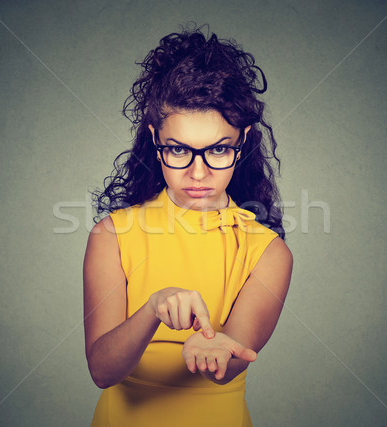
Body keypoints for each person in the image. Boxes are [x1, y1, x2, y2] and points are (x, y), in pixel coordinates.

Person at [83, 25, 293, 427]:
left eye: (217, 149)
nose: (198, 173)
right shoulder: (111, 235)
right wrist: (151, 310)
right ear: (155, 141)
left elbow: (234, 357)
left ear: (242, 142)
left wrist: (217, 350)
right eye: (178, 149)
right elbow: (101, 372)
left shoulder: (268, 252)